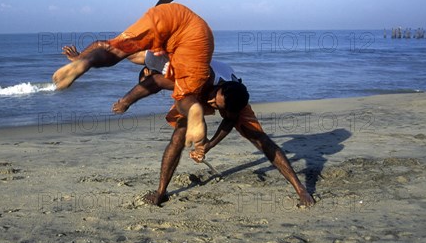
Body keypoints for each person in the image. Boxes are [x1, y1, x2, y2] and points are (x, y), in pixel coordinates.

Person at [110, 55, 315, 207]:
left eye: (215, 106)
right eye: (212, 101)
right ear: (217, 89)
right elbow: (154, 81)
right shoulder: (200, 76)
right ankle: (161, 192)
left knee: (259, 139)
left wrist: (207, 146)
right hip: (195, 89)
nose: (210, 104)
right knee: (178, 137)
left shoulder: (236, 99)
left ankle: (301, 189)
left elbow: (229, 122)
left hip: (229, 94)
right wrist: (127, 101)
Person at [53, 0, 214, 155]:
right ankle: (84, 64)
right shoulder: (152, 63)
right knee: (185, 99)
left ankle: (85, 64)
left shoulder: (149, 60)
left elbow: (105, 46)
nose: (150, 87)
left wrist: (83, 58)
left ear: (146, 71)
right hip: (186, 25)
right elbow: (102, 45)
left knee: (183, 98)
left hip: (178, 27)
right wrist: (81, 58)